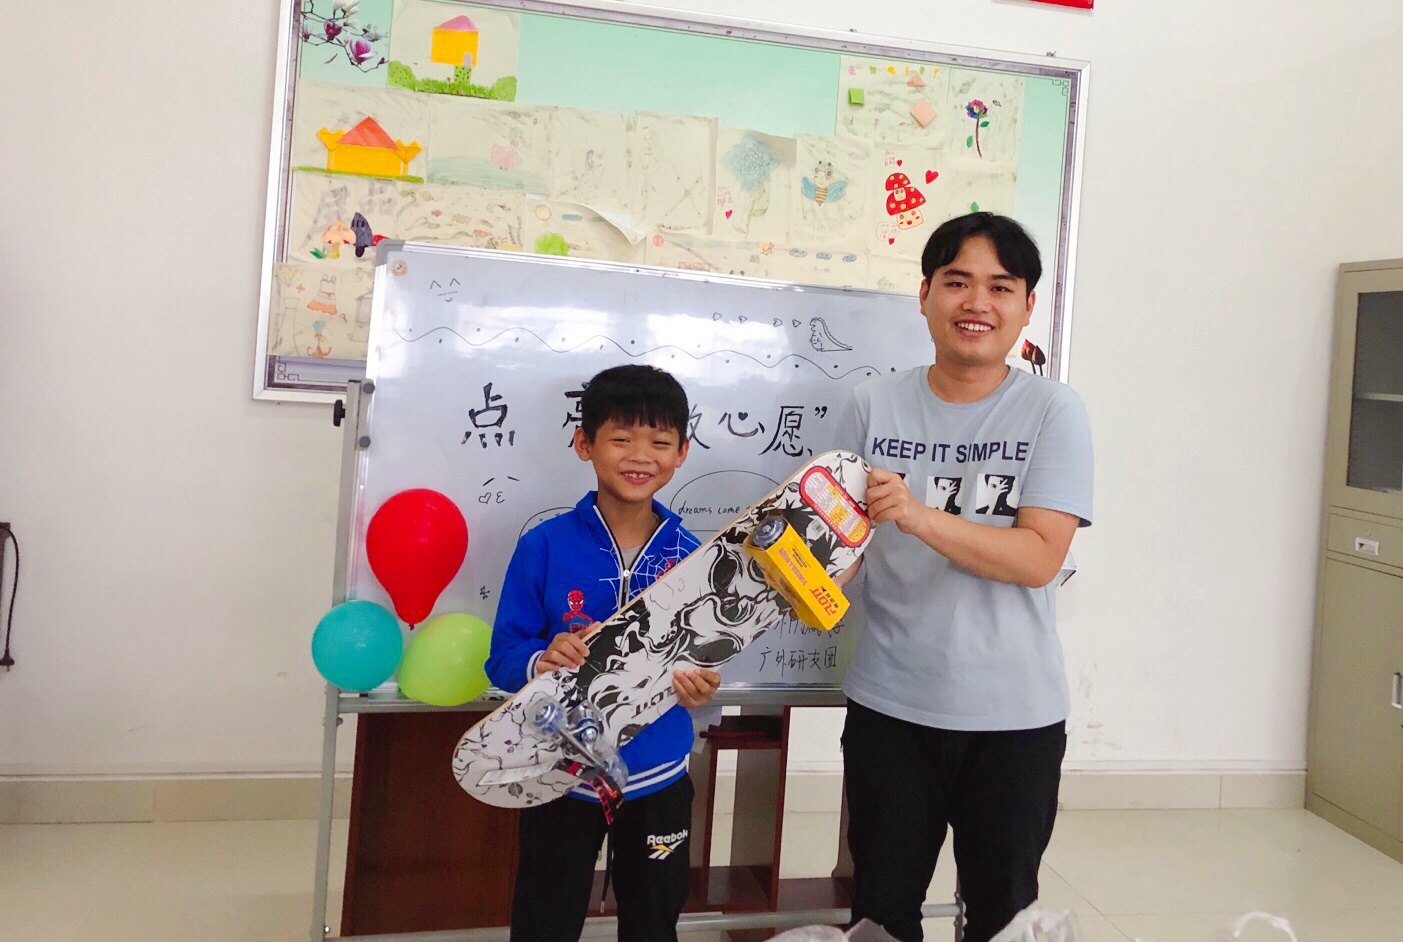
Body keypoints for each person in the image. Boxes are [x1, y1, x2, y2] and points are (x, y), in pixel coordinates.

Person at [835, 213, 1094, 942]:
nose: (976, 303)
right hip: (890, 707)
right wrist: (789, 583)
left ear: (1026, 306)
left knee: (1000, 918)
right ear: (924, 294)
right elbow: (839, 550)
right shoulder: (870, 405)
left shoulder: (1052, 410)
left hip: (1013, 718)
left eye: (999, 287)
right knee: (880, 914)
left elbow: (1037, 558)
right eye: (956, 282)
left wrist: (919, 517)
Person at [485, 363, 722, 942]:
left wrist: (701, 684)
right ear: (584, 443)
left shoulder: (695, 557)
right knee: (544, 920)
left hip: (659, 775)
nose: (640, 456)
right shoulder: (543, 545)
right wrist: (542, 660)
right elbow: (504, 655)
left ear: (682, 452)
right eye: (621, 438)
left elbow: (704, 655)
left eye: (660, 442)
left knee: (653, 923)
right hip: (559, 775)